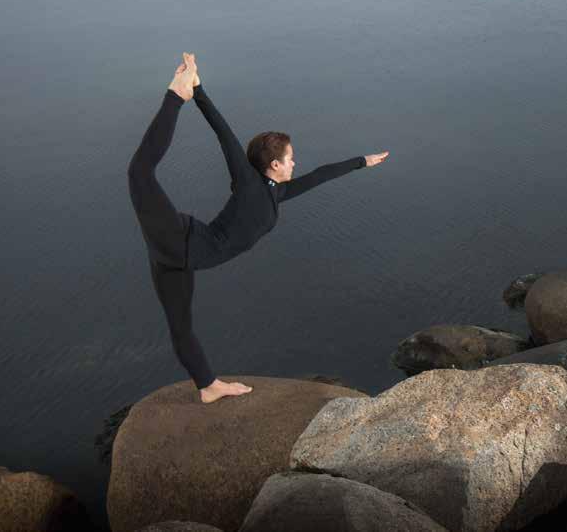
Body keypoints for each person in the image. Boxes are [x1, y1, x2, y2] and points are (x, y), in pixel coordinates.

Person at [127, 52, 390, 404]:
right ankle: (175, 94)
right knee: (139, 173)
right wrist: (196, 90)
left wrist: (362, 162)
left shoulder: (276, 193)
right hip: (180, 239)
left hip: (178, 259)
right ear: (276, 163)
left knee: (181, 327)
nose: (296, 162)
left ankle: (207, 386)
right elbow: (224, 132)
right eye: (291, 158)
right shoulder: (250, 184)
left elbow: (319, 176)